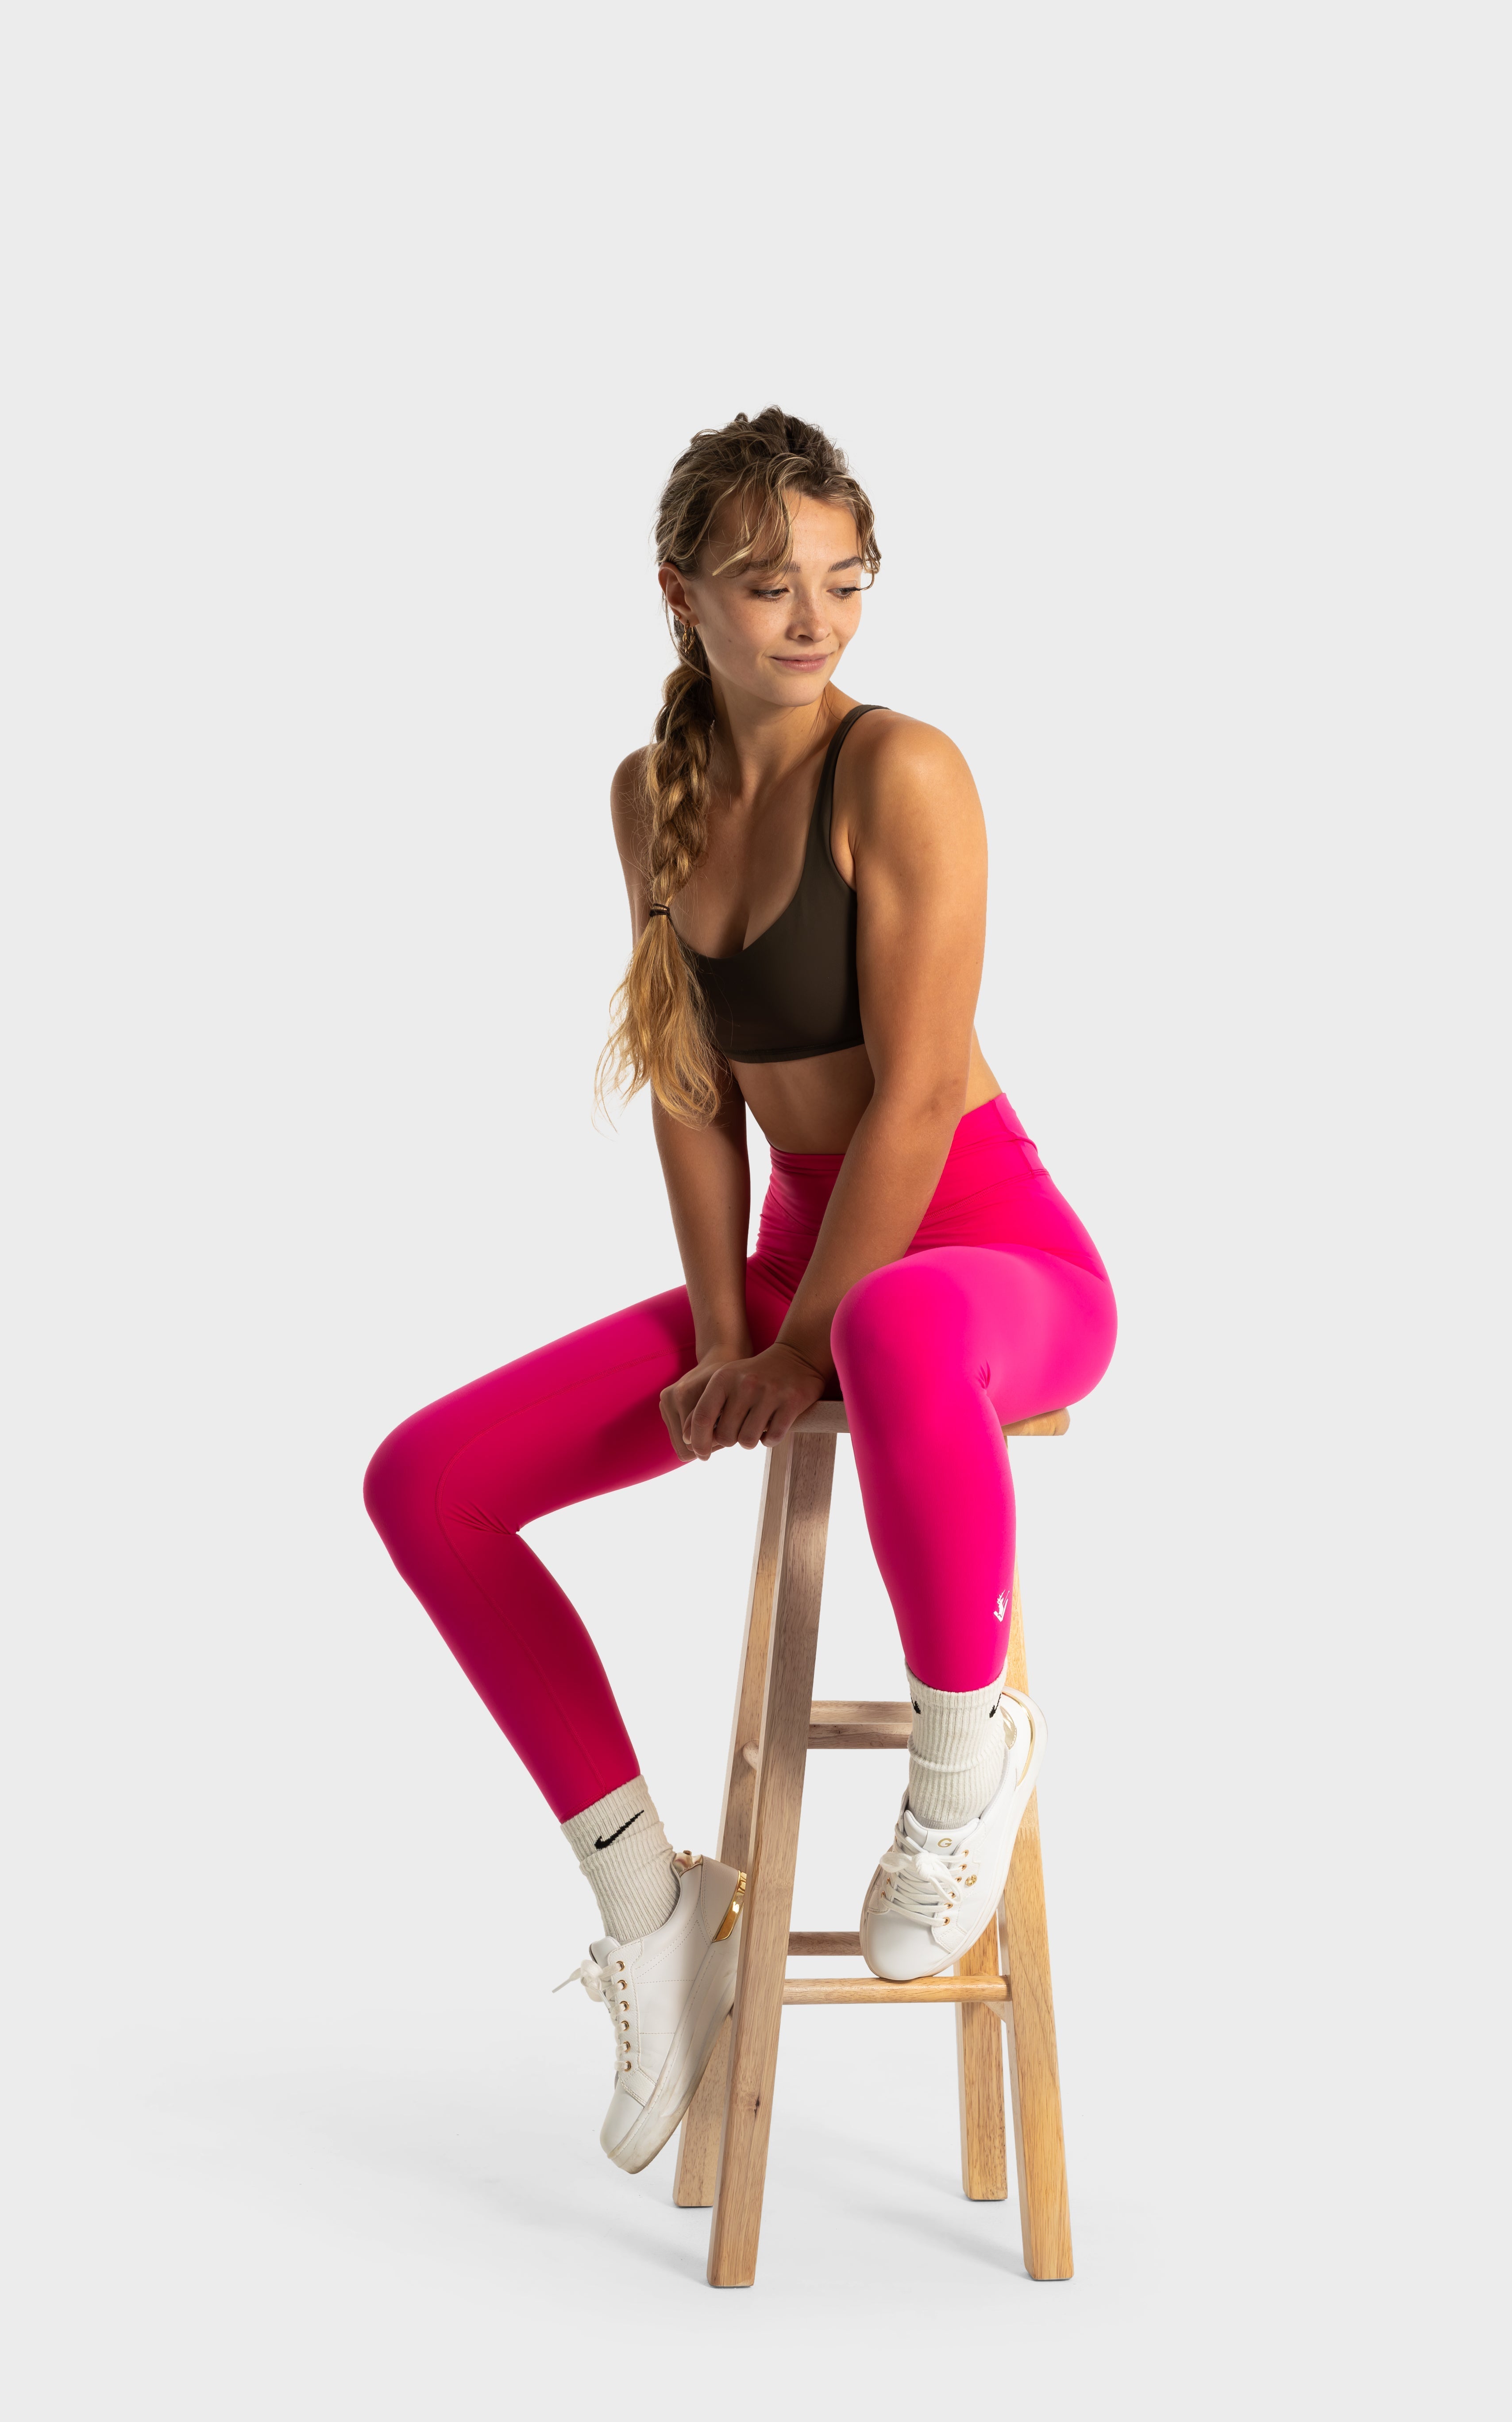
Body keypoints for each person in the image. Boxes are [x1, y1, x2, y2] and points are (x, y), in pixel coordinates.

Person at [364, 408, 1117, 2178]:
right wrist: (725, 1336)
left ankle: (964, 1751)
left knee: (889, 1324)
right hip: (803, 1272)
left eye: (844, 582)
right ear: (679, 593)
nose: (813, 619)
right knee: (430, 1483)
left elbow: (919, 1102)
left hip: (989, 1263)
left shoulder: (905, 769)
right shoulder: (652, 795)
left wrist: (792, 1344)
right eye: (770, 584)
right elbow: (696, 1095)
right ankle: (654, 1908)